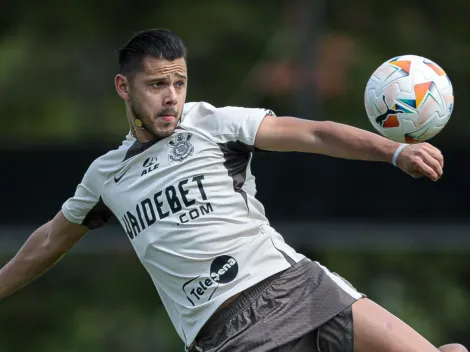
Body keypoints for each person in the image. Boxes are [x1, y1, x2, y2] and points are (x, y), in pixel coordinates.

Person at [0, 29, 466, 352]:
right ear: (124, 87)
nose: (171, 96)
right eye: (157, 84)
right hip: (225, 335)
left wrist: (393, 152)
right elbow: (46, 242)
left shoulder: (212, 124)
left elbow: (314, 134)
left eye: (178, 82)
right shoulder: (105, 177)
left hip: (297, 288)